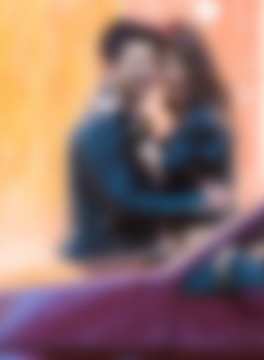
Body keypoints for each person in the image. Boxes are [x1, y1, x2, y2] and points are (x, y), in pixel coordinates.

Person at [64, 20, 220, 269]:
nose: (147, 73)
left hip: (130, 261)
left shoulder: (131, 119)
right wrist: (197, 201)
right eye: (138, 63)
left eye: (151, 64)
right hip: (106, 266)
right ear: (111, 66)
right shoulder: (102, 124)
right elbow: (125, 200)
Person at [136, 23, 233, 253]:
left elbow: (166, 167)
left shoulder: (203, 121)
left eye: (180, 66)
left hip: (197, 247)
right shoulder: (190, 119)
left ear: (195, 71)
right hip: (188, 244)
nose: (172, 75)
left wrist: (149, 123)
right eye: (164, 66)